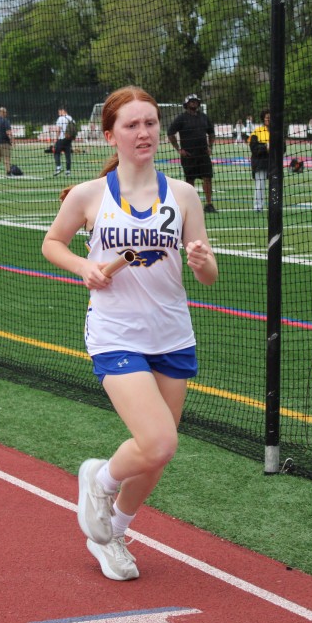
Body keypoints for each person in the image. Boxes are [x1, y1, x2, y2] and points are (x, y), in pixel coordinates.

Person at [42, 85, 218, 582]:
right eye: (132, 125)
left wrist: (202, 262)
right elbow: (52, 243)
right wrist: (84, 267)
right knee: (158, 442)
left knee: (156, 458)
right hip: (116, 333)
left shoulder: (182, 194)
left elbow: (208, 275)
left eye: (150, 123)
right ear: (110, 135)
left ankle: (112, 534)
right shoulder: (90, 195)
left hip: (173, 335)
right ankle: (99, 479)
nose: (144, 133)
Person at [167, 93, 217, 213]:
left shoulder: (204, 117)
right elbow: (170, 133)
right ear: (186, 104)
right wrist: (179, 149)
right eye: (191, 101)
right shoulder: (181, 118)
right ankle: (191, 205)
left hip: (203, 154)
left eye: (195, 101)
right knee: (190, 180)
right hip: (189, 155)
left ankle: (209, 204)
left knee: (208, 178)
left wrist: (210, 147)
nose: (194, 103)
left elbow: (211, 133)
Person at [248, 109, 271, 212]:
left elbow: (283, 148)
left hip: (273, 162)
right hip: (260, 162)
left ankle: (275, 205)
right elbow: (254, 148)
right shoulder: (257, 132)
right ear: (263, 119)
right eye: (267, 118)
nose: (269, 120)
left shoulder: (277, 131)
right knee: (260, 184)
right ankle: (258, 206)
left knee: (275, 185)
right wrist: (265, 147)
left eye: (270, 118)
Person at [52, 106, 75, 176]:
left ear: (63, 111)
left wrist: (56, 138)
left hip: (62, 138)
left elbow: (58, 130)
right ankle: (68, 171)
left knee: (56, 152)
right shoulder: (70, 118)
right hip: (69, 139)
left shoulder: (60, 118)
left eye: (59, 111)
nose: (58, 113)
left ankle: (58, 167)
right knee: (68, 155)